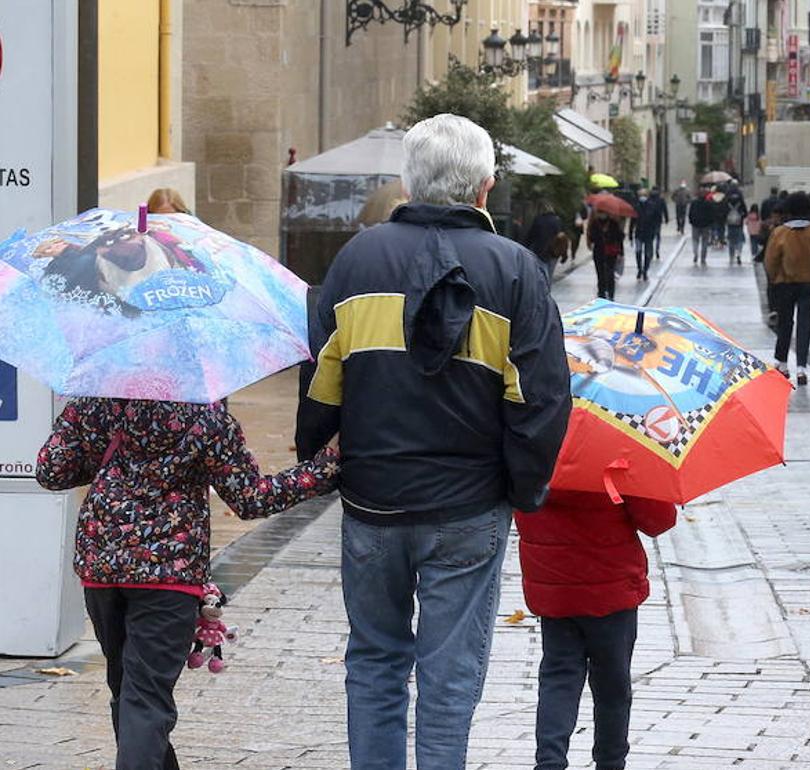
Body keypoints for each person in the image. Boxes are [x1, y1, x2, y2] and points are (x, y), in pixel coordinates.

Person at [295, 114, 572, 770]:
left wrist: (317, 454)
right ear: (486, 186)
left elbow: (321, 379)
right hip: (469, 508)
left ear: (409, 183)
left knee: (374, 661)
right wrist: (522, 488)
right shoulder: (516, 270)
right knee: (450, 676)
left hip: (373, 501)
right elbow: (541, 401)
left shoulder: (356, 259)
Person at [36, 398, 338, 769]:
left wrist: (107, 455)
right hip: (168, 577)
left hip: (103, 569)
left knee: (130, 690)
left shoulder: (92, 406)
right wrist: (325, 467)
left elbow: (52, 472)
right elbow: (250, 497)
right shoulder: (205, 417)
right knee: (144, 698)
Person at [516, 490, 677, 770]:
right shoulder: (618, 453)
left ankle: (549, 761)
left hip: (555, 588)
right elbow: (658, 520)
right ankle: (611, 762)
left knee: (558, 678)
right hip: (610, 591)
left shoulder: (532, 448)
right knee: (612, 685)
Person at [764, 192, 810, 386]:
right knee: (805, 325)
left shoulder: (779, 233)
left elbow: (770, 261)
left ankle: (782, 363)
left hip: (784, 284)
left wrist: (775, 279)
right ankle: (802, 367)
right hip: (808, 284)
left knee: (785, 323)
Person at [589, 209, 626, 299]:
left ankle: (608, 292)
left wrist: (621, 252)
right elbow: (592, 237)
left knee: (609, 273)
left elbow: (620, 237)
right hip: (601, 252)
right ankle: (603, 292)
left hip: (609, 252)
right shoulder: (595, 223)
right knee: (601, 273)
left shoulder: (613, 223)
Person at [524, 204, 565, 280]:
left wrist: (525, 246)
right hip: (553, 251)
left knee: (539, 273)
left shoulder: (538, 220)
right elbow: (562, 238)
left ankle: (541, 289)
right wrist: (564, 255)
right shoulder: (557, 221)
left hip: (539, 250)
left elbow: (531, 236)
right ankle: (547, 290)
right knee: (549, 274)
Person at [634, 188, 667, 280]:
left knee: (648, 253)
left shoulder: (653, 206)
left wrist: (654, 230)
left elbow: (657, 219)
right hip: (639, 233)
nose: (642, 197)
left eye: (643, 195)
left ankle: (645, 270)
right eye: (640, 196)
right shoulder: (636, 206)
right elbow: (633, 221)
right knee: (638, 252)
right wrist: (630, 233)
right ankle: (639, 269)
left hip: (649, 233)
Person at [687, 190, 716, 266]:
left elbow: (690, 213)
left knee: (695, 240)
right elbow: (712, 214)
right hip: (706, 225)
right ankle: (703, 258)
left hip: (695, 224)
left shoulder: (694, 203)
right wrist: (711, 223)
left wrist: (691, 221)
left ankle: (695, 253)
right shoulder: (708, 204)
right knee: (705, 242)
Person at [725, 186, 747, 265]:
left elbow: (724, 211)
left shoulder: (727, 199)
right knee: (739, 240)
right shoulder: (740, 199)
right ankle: (739, 254)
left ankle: (731, 256)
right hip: (739, 223)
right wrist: (742, 215)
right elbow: (745, 212)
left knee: (731, 240)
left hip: (730, 223)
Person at [649, 187, 668, 261]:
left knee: (650, 237)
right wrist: (666, 218)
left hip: (650, 221)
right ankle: (657, 249)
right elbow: (665, 209)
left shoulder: (649, 199)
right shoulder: (661, 200)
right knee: (658, 236)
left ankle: (650, 252)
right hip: (658, 220)